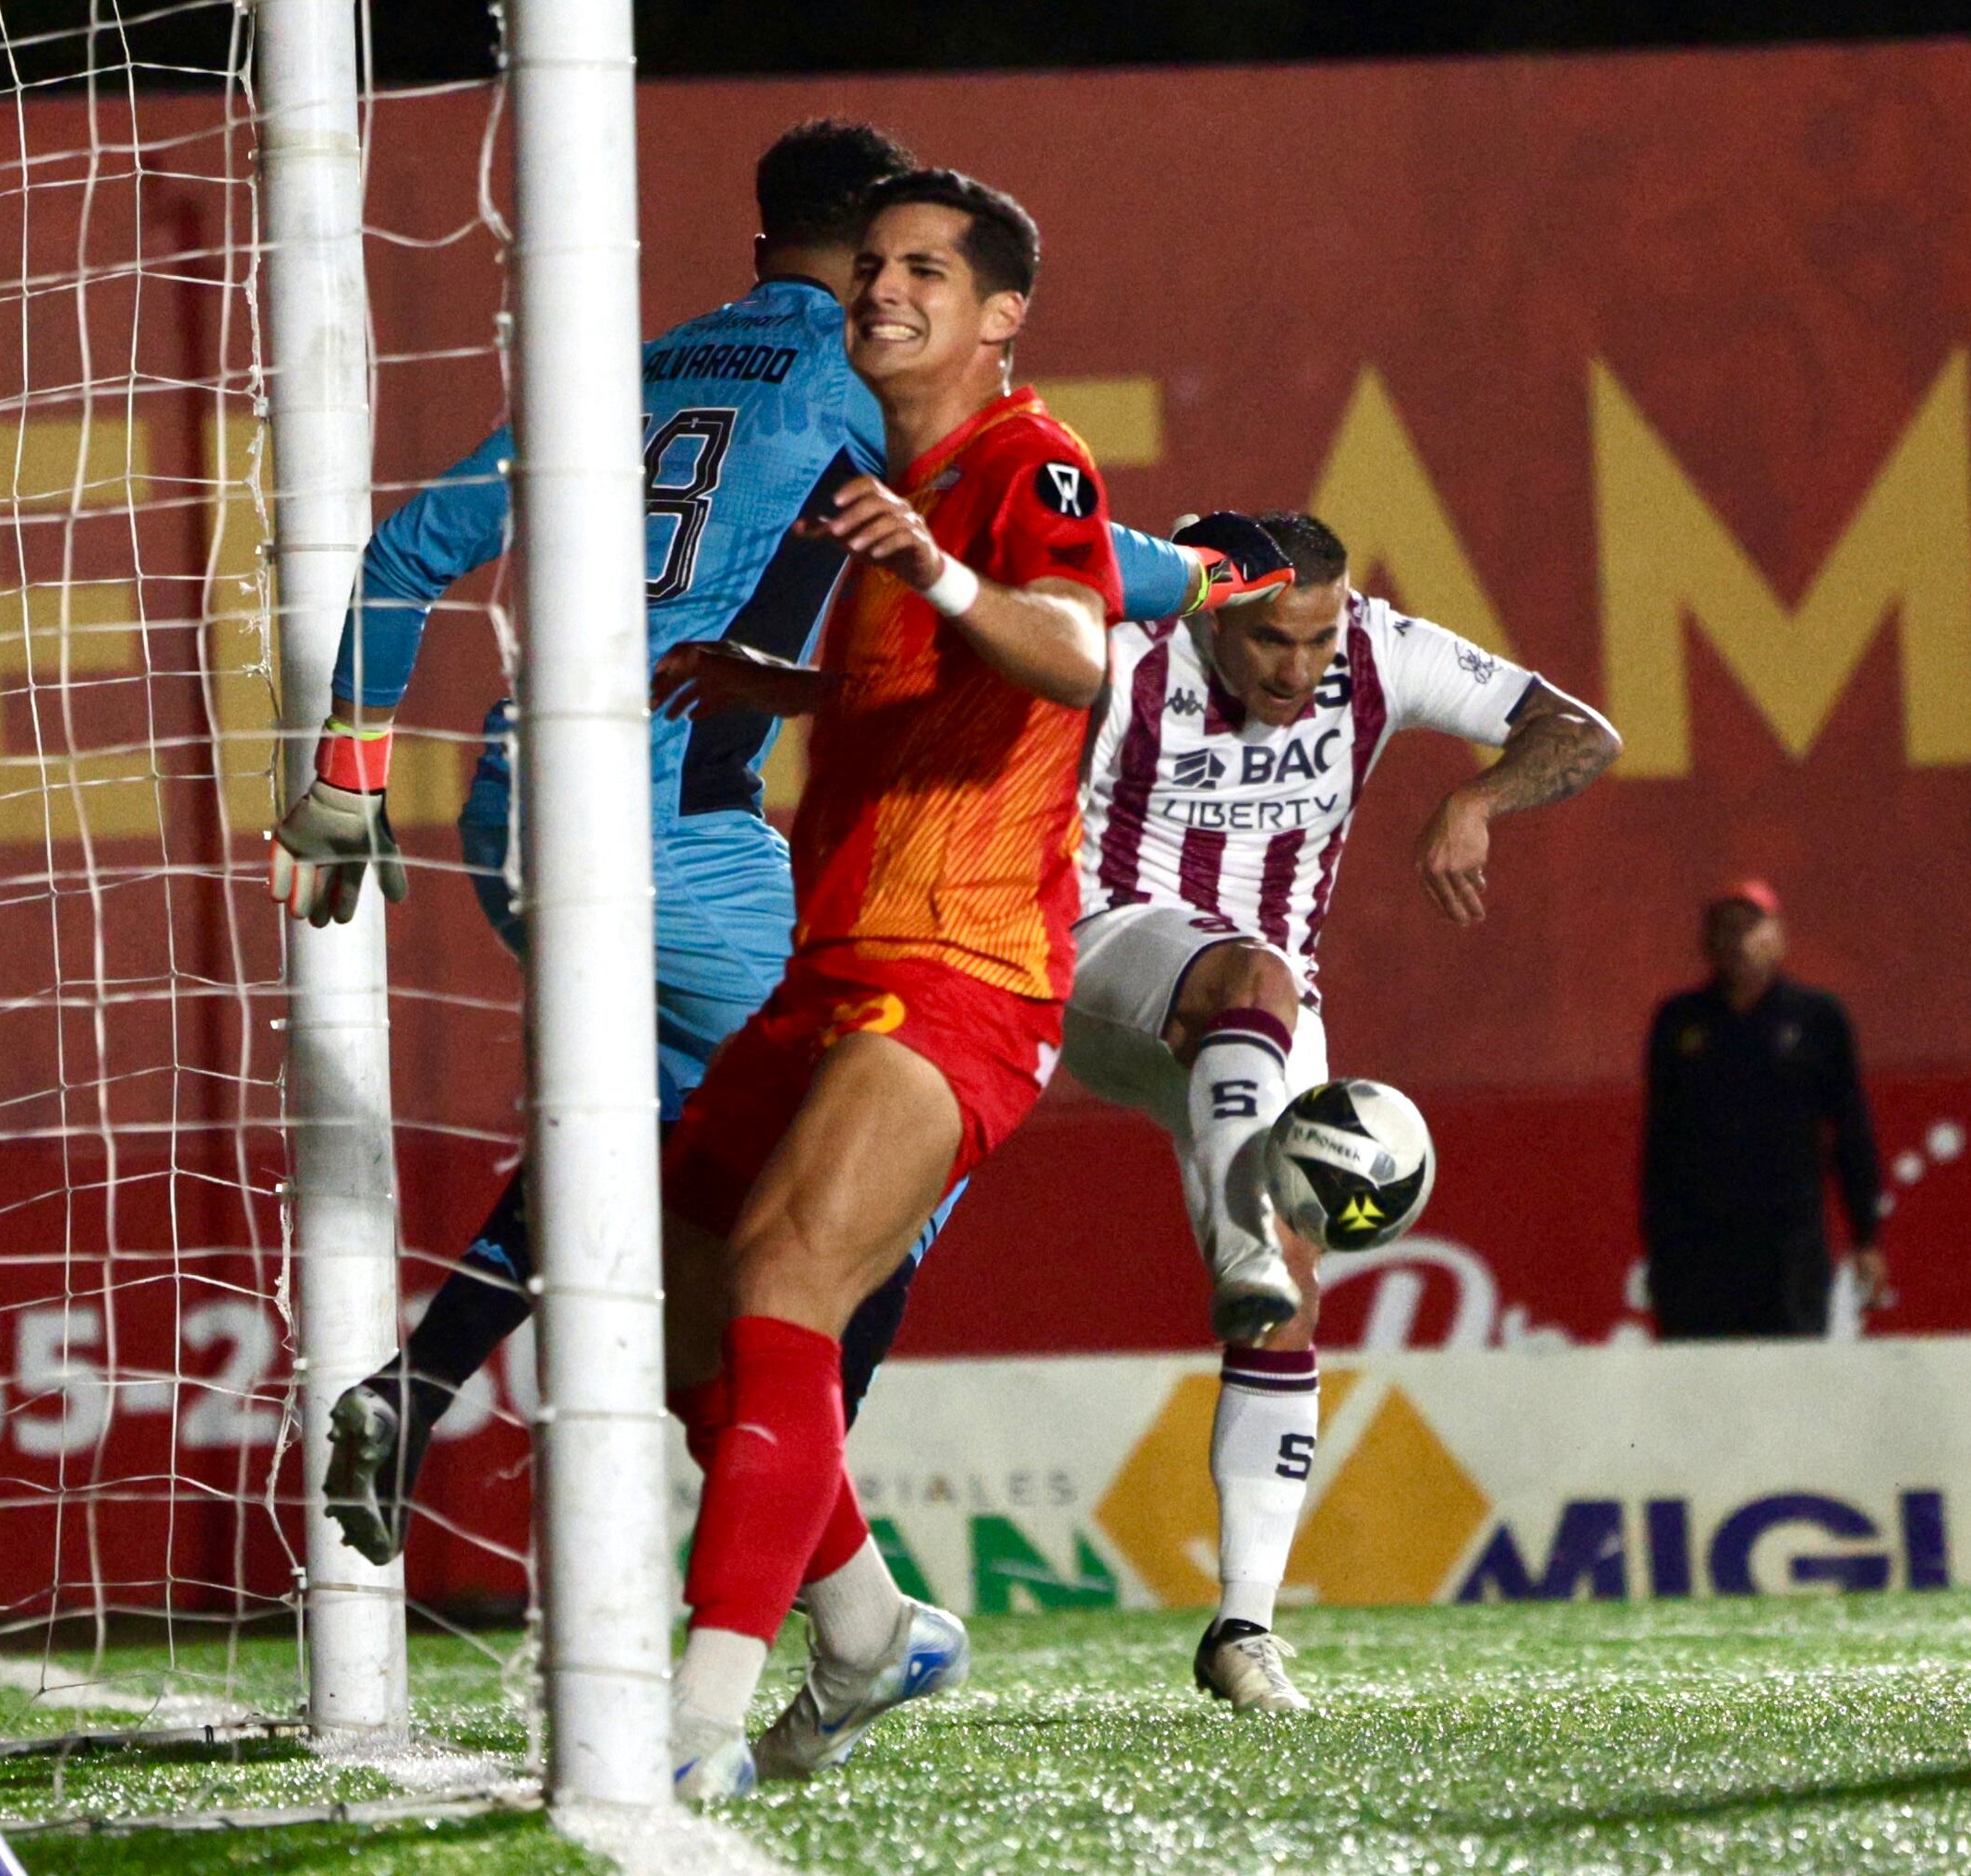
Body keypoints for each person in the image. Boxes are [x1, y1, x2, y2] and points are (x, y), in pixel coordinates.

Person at [275, 123, 1260, 1568]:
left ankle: (421, 1390)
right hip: (668, 818)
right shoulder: (856, 371)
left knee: (677, 1139)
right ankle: (815, 1552)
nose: (893, 293)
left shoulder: (625, 368)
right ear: (867, 259)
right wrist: (1221, 576)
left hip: (514, 804)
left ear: (756, 243)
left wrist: (351, 769)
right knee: (903, 1131)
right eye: (889, 262)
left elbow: (408, 551)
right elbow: (1057, 557)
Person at [641, 167, 1127, 1799]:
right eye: (871, 264)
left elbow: (1074, 652)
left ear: (1000, 314)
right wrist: (772, 682)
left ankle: (696, 1722)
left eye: (926, 268)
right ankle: (864, 1627)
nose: (883, 288)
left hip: (964, 971)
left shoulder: (1030, 461)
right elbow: (924, 687)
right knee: (677, 1303)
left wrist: (935, 569)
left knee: (787, 1277)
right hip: (832, 960)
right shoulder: (892, 483)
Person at [1058, 510, 1618, 1712]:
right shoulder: (1123, 649)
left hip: (1265, 1012)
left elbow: (1581, 731)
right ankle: (1245, 1244)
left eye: (1317, 641)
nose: (1300, 669)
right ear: (1213, 611)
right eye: (1272, 641)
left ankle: (1243, 1626)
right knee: (1250, 988)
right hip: (1108, 956)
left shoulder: (1381, 650)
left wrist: (1480, 798)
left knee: (1291, 1295)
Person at [1639, 884, 1885, 1340]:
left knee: (1790, 1374)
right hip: (1699, 1250)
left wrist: (1866, 1237)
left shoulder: (1817, 1019)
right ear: (1707, 943)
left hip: (1788, 1245)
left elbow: (1850, 1131)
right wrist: (1656, 1246)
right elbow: (1661, 1144)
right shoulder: (1679, 1022)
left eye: (1750, 928)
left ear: (1779, 938)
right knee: (1701, 1375)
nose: (1738, 941)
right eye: (1725, 929)